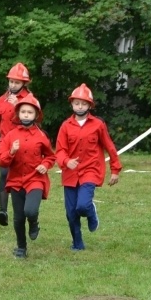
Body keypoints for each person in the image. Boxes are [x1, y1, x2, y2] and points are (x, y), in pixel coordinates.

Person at [55, 84, 121, 251]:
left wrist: (115, 169)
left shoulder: (98, 124)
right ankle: (77, 244)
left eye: (84, 104)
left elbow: (109, 146)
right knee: (71, 213)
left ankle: (91, 212)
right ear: (72, 104)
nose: (80, 107)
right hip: (70, 174)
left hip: (90, 170)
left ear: (90, 105)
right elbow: (60, 150)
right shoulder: (65, 126)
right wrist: (66, 161)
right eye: (77, 103)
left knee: (82, 205)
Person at [0, 95, 55, 258]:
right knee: (18, 217)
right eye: (23, 112)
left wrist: (45, 165)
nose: (26, 115)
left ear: (36, 115)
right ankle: (21, 247)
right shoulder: (10, 136)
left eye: (30, 112)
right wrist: (11, 152)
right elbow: (1, 161)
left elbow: (51, 156)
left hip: (35, 179)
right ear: (18, 114)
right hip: (16, 181)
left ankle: (34, 222)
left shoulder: (41, 136)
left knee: (30, 210)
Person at [0, 62, 34, 226]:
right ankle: (3, 211)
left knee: (22, 177)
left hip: (24, 142)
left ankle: (27, 211)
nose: (13, 85)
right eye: (11, 81)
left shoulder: (29, 100)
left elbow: (36, 120)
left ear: (24, 83)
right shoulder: (1, 99)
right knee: (4, 173)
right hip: (5, 142)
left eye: (17, 82)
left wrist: (17, 105)